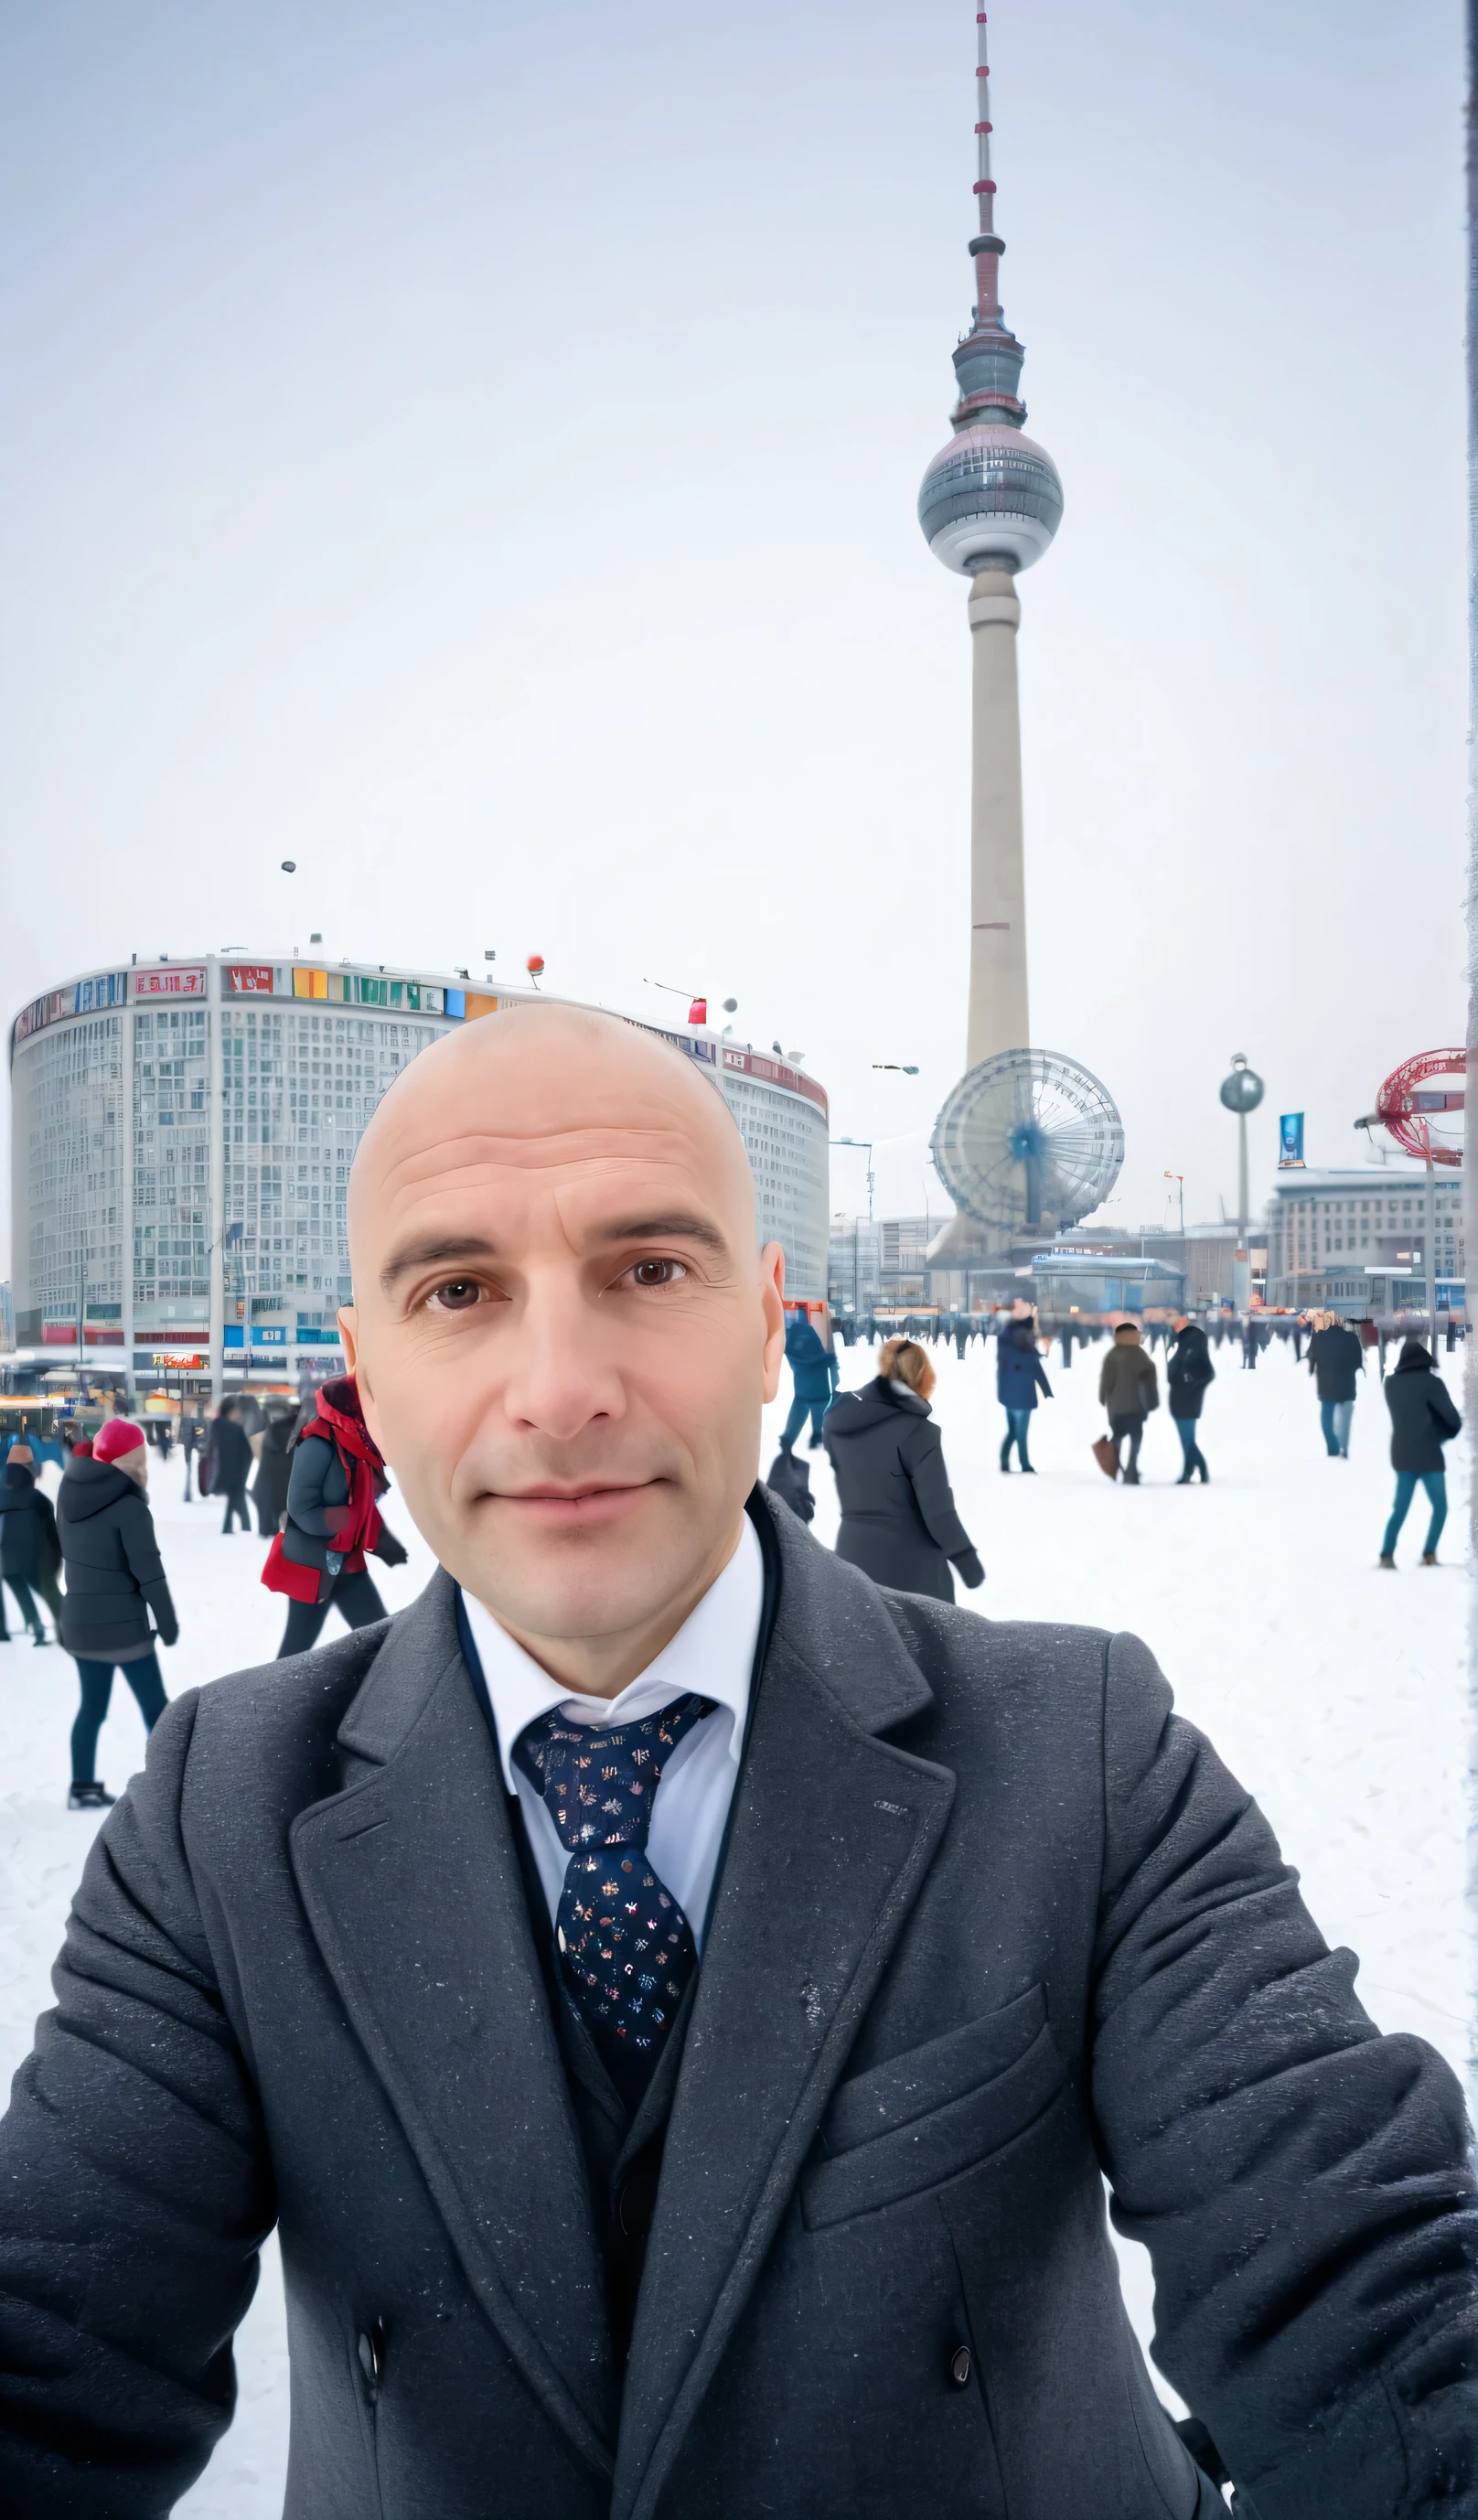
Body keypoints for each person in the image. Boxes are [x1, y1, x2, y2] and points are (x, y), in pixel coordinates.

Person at [0, 1005, 1473, 2519]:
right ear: (368, 1378)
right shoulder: (221, 1814)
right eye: (460, 1289)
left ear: (771, 1320)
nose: (561, 1388)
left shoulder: (1080, 1755)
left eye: (649, 1269)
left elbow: (1364, 2286)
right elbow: (53, 2327)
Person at [53, 1415, 177, 1813]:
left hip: (80, 1625)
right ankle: (172, 1786)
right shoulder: (129, 1507)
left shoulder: (69, 1492)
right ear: (131, 1458)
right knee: (157, 1707)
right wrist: (168, 1621)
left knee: (91, 1709)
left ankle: (82, 1786)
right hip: (125, 1631)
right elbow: (149, 1572)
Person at [823, 1335, 983, 1602]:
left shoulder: (836, 1422)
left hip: (851, 1559)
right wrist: (966, 1561)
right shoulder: (918, 1432)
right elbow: (938, 1512)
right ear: (924, 1377)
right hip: (912, 1570)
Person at [262, 1376, 403, 1656]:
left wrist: (385, 1543)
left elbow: (362, 1505)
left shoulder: (355, 1447)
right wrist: (342, 1521)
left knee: (378, 1641)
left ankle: (384, 1696)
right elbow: (300, 1508)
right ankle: (272, 1697)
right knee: (294, 1652)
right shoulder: (318, 1443)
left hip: (346, 1564)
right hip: (313, 1564)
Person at [1378, 1337, 1462, 1567]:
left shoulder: (1390, 1383)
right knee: (1440, 1507)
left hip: (1402, 1454)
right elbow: (1452, 1419)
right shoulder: (1433, 1383)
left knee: (1400, 1508)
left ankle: (1387, 1554)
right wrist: (1442, 1435)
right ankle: (1429, 1553)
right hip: (1430, 1455)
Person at [0, 1443, 62, 1641]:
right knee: (49, 1590)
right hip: (36, 1555)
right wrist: (56, 1559)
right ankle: (67, 1628)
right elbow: (52, 1534)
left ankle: (31, 1624)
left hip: (6, 1554)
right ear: (30, 1468)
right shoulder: (38, 1499)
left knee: (15, 1582)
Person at [1098, 1319, 1159, 1482]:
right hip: (1136, 1407)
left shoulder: (1113, 1355)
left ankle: (1117, 1467)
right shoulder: (1139, 1354)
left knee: (1118, 1437)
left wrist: (1103, 1398)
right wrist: (1152, 1401)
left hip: (1116, 1407)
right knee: (1136, 1437)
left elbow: (1106, 1381)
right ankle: (1131, 1468)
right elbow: (1150, 1378)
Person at [995, 1298, 1052, 1472]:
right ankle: (1025, 1464)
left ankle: (1004, 1460)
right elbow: (1037, 1370)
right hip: (1024, 1395)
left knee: (1013, 1430)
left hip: (1009, 1394)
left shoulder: (1006, 1343)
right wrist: (1047, 1390)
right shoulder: (1027, 1351)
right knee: (1021, 1432)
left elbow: (1001, 1371)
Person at [777, 1306, 838, 1454]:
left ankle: (790, 1439)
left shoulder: (793, 1336)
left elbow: (792, 1355)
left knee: (801, 1408)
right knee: (814, 1408)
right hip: (818, 1385)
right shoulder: (809, 1333)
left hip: (805, 1384)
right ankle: (814, 1437)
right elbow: (822, 1354)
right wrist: (829, 1363)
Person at [1166, 1311, 1214, 1483]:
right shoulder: (1183, 1351)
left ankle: (1200, 1468)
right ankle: (1188, 1470)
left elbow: (1206, 1374)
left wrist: (1190, 1385)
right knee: (1187, 1440)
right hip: (1180, 1403)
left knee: (1187, 1440)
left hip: (1187, 1403)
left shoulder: (1194, 1355)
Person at [1307, 1311, 1362, 1457]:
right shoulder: (1352, 1338)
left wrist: (1312, 1369)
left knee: (1327, 1420)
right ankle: (1344, 1449)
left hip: (1326, 1385)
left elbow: (1312, 1357)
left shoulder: (1318, 1338)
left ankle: (1333, 1448)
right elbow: (1358, 1363)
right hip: (1347, 1386)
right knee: (1345, 1420)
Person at [207, 1394, 253, 1532]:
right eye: (237, 1410)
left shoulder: (225, 1427)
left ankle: (229, 1528)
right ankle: (244, 1529)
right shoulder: (229, 1428)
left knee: (236, 1500)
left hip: (234, 1473)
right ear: (229, 1411)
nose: (240, 1414)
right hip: (233, 1473)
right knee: (239, 1501)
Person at [252, 1397, 295, 1538]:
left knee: (267, 1502)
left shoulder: (269, 1432)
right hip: (288, 1475)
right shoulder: (294, 1431)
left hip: (271, 1475)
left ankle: (268, 1529)